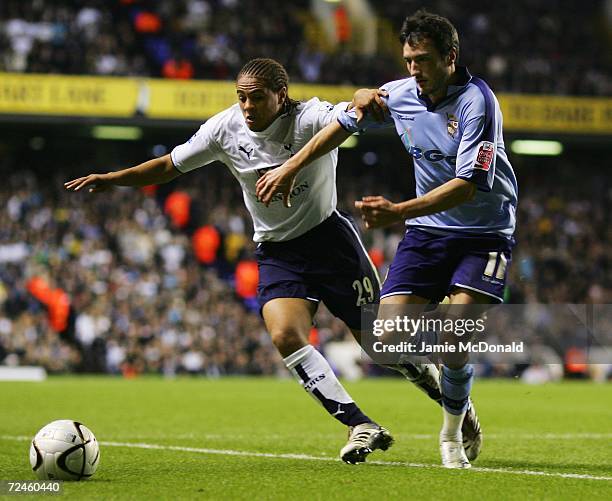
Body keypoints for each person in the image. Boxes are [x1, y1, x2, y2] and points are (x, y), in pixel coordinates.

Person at [65, 57, 451, 464]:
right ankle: (359, 424)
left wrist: (361, 97)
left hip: (331, 243)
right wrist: (113, 179)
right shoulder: (224, 128)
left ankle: (449, 396)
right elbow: (168, 166)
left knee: (383, 347)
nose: (247, 107)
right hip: (278, 250)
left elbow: (351, 109)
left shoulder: (308, 118)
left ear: (280, 96)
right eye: (241, 98)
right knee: (285, 335)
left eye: (257, 98)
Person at [256, 9, 516, 469]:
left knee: (455, 340)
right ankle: (460, 396)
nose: (414, 70)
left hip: (483, 232)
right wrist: (290, 165)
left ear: (450, 57)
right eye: (408, 60)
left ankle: (453, 434)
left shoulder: (478, 102)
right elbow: (341, 124)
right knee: (387, 337)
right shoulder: (399, 94)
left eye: (424, 60)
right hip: (429, 232)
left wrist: (396, 212)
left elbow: (467, 185)